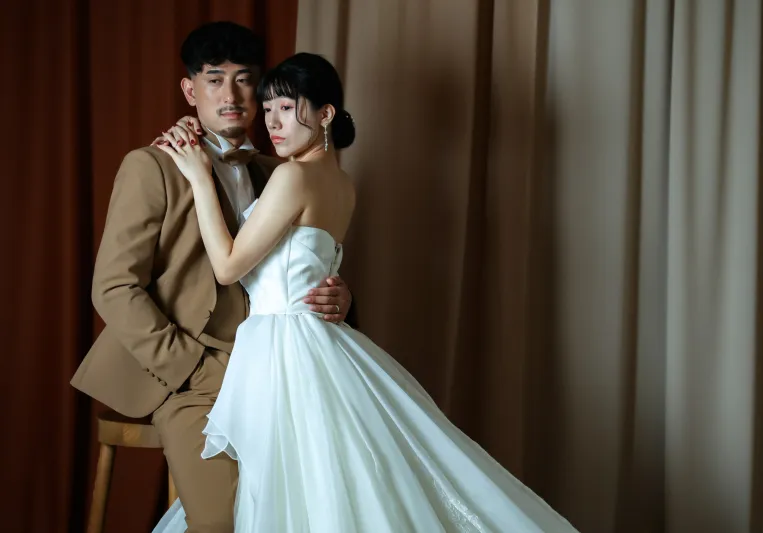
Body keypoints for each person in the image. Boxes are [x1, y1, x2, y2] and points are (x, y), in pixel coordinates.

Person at [150, 52, 580, 533]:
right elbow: (308, 266)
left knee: (285, 483)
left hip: (284, 349)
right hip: (311, 341)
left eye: (287, 108)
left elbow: (229, 267)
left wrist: (199, 178)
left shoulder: (292, 175)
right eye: (267, 109)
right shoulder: (341, 183)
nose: (271, 122)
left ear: (325, 113)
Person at [70, 23, 356, 533]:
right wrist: (191, 366)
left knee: (320, 500)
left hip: (274, 368)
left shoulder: (278, 169)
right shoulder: (153, 165)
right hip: (189, 377)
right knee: (225, 522)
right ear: (190, 90)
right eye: (214, 80)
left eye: (244, 81)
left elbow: (301, 264)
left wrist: (340, 294)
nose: (231, 96)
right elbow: (113, 287)